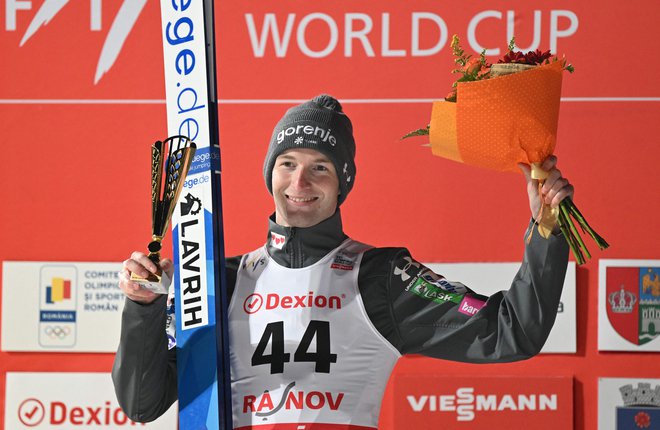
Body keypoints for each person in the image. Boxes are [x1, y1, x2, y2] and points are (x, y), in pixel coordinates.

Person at [113, 94, 572, 428]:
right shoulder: (218, 281)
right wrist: (142, 308)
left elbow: (513, 331)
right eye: (287, 163)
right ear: (269, 172)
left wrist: (547, 232)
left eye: (321, 167)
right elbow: (141, 402)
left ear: (342, 182)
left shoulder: (381, 277)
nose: (300, 181)